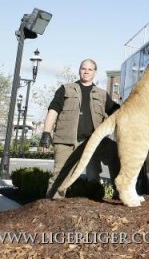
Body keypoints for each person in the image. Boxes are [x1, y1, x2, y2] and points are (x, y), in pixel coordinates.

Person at [40, 58, 120, 198]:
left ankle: (120, 193)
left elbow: (117, 111)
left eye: (90, 69)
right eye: (84, 68)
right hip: (68, 141)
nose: (86, 71)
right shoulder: (66, 89)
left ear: (95, 72)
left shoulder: (101, 94)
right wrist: (46, 133)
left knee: (116, 153)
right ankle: (51, 206)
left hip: (94, 141)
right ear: (79, 70)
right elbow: (53, 110)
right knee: (60, 177)